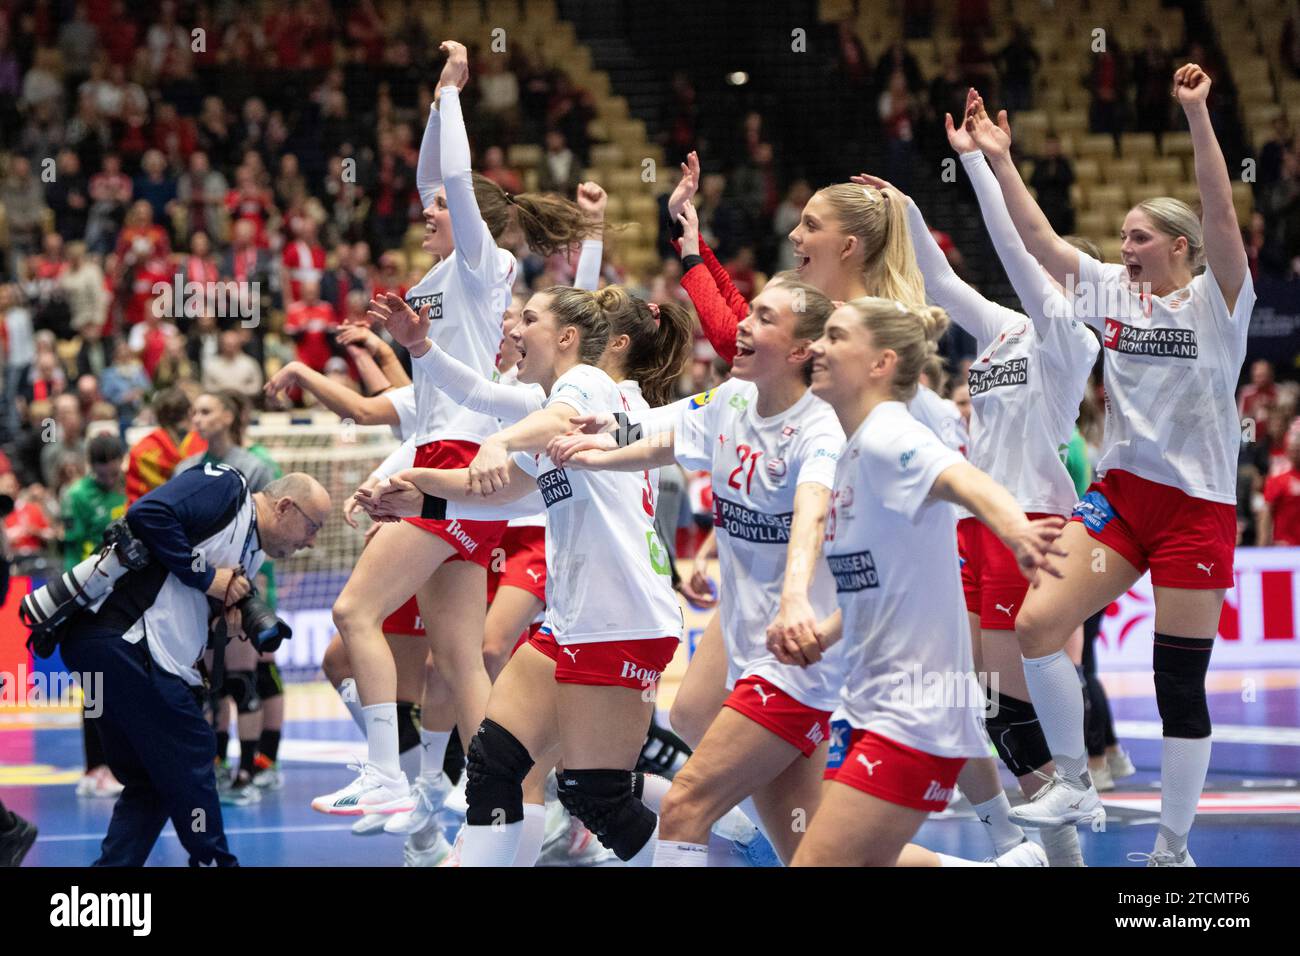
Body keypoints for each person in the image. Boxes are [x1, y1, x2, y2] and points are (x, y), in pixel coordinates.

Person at [965, 65, 1252, 866]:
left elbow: (1223, 210)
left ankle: (1172, 845)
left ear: (1181, 249)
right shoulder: (1112, 299)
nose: (1123, 250)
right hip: (1122, 499)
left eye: (1139, 238)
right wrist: (997, 158)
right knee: (1037, 624)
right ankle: (1075, 781)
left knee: (1176, 686)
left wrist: (1197, 114)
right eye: (1120, 239)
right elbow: (1041, 243)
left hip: (1196, 508)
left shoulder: (1219, 304)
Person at [312, 40, 594, 819]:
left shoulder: (483, 264)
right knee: (461, 659)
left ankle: (386, 776)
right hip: (450, 459)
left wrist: (448, 96)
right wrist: (407, 358)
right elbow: (435, 179)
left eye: (440, 209)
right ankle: (504, 804)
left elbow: (453, 183)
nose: (427, 209)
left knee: (353, 614)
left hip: (456, 463)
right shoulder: (436, 285)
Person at [357, 284, 692, 867]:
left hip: (619, 619)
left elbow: (545, 424)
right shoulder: (553, 412)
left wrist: (500, 438)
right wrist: (417, 494)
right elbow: (502, 492)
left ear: (566, 337)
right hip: (574, 620)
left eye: (528, 319)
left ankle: (724, 834)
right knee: (492, 764)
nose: (513, 329)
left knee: (598, 796)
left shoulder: (584, 385)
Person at [554, 280, 846, 866]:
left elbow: (811, 516)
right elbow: (661, 435)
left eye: (764, 318)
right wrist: (601, 441)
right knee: (813, 852)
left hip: (794, 659)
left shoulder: (821, 430)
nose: (742, 324)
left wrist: (794, 599)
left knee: (686, 806)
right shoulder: (732, 401)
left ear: (797, 352)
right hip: (747, 647)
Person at [788, 297, 1062, 867]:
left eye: (836, 337)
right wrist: (826, 633)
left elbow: (963, 479)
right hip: (866, 705)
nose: (815, 346)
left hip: (911, 713)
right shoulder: (853, 449)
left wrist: (1015, 529)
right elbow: (882, 578)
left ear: (881, 363)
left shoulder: (890, 433)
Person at [58, 468, 330, 866]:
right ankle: (215, 861)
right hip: (119, 638)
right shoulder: (227, 487)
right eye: (312, 527)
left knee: (150, 781)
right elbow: (146, 514)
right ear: (286, 507)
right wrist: (206, 578)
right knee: (193, 745)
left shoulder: (250, 554)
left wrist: (225, 623)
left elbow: (188, 605)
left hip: (107, 650)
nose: (312, 541)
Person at [61, 434, 130, 800]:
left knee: (121, 687)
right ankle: (94, 768)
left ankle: (117, 765)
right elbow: (71, 553)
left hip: (124, 603)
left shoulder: (131, 491)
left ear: (121, 460)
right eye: (101, 471)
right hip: (86, 601)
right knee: (94, 688)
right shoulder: (76, 496)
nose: (108, 476)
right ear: (91, 465)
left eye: (113, 468)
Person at [125, 387, 207, 504]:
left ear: (157, 417)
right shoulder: (206, 445)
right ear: (190, 412)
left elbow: (136, 496)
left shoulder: (140, 451)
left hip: (152, 516)